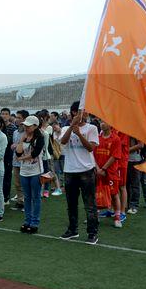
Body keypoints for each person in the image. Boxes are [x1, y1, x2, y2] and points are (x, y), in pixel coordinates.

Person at [59, 101, 100, 244]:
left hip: (87, 171)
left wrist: (80, 134)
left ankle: (92, 232)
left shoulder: (92, 128)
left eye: (87, 111)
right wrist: (72, 127)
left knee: (90, 204)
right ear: (75, 113)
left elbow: (90, 148)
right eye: (84, 111)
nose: (87, 113)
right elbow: (63, 142)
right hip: (70, 171)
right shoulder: (65, 128)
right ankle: (72, 230)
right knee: (71, 203)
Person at [15, 115, 45, 234]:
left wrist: (21, 159)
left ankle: (34, 222)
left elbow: (35, 154)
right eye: (25, 125)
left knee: (36, 197)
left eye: (28, 125)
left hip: (36, 171)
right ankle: (27, 221)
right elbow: (18, 153)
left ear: (35, 126)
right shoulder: (24, 137)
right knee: (27, 197)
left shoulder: (40, 138)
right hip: (24, 171)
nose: (26, 127)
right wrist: (22, 140)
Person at [94, 121, 123, 228]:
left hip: (110, 172)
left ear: (110, 125)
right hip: (98, 171)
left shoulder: (116, 139)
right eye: (101, 121)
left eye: (104, 122)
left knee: (114, 194)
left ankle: (117, 217)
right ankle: (94, 216)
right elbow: (92, 154)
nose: (102, 124)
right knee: (95, 193)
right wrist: (97, 168)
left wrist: (103, 169)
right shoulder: (97, 137)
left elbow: (114, 156)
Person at [0, 107, 17, 204]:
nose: (4, 115)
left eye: (6, 114)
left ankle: (6, 197)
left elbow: (10, 141)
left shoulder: (12, 127)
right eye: (2, 113)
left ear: (9, 115)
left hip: (8, 155)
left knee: (7, 175)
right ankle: (0, 196)